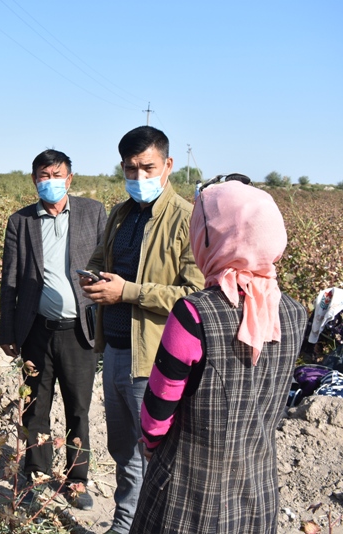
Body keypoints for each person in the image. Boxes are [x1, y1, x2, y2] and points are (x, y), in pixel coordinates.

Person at [130, 177, 306, 533]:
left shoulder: (193, 313)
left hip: (188, 487)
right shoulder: (294, 312)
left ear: (209, 235)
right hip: (256, 485)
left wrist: (150, 444)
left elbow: (160, 404)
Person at [81, 126, 203, 534]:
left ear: (168, 165)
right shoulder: (120, 213)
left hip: (153, 357)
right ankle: (127, 522)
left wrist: (127, 292)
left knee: (153, 452)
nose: (139, 178)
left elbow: (194, 296)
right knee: (123, 451)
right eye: (131, 170)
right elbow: (101, 258)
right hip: (115, 349)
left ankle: (144, 525)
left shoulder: (188, 219)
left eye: (148, 168)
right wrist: (94, 279)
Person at [0, 149, 106, 510]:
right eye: (43, 176)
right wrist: (8, 331)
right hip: (36, 331)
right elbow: (10, 279)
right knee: (35, 408)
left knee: (78, 408)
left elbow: (108, 265)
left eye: (57, 174)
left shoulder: (93, 212)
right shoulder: (21, 221)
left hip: (80, 331)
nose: (50, 181)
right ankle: (36, 475)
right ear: (33, 180)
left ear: (70, 178)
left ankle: (77, 480)